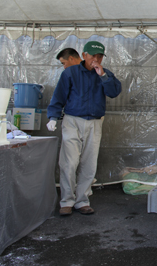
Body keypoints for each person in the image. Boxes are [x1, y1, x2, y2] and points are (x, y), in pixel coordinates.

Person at [46, 41, 122, 216]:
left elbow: (114, 92)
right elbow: (59, 95)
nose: (95, 59)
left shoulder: (104, 74)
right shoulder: (71, 73)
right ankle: (66, 200)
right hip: (73, 120)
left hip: (95, 122)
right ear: (84, 55)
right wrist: (53, 116)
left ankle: (82, 201)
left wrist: (102, 74)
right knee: (69, 162)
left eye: (99, 56)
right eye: (92, 55)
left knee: (89, 163)